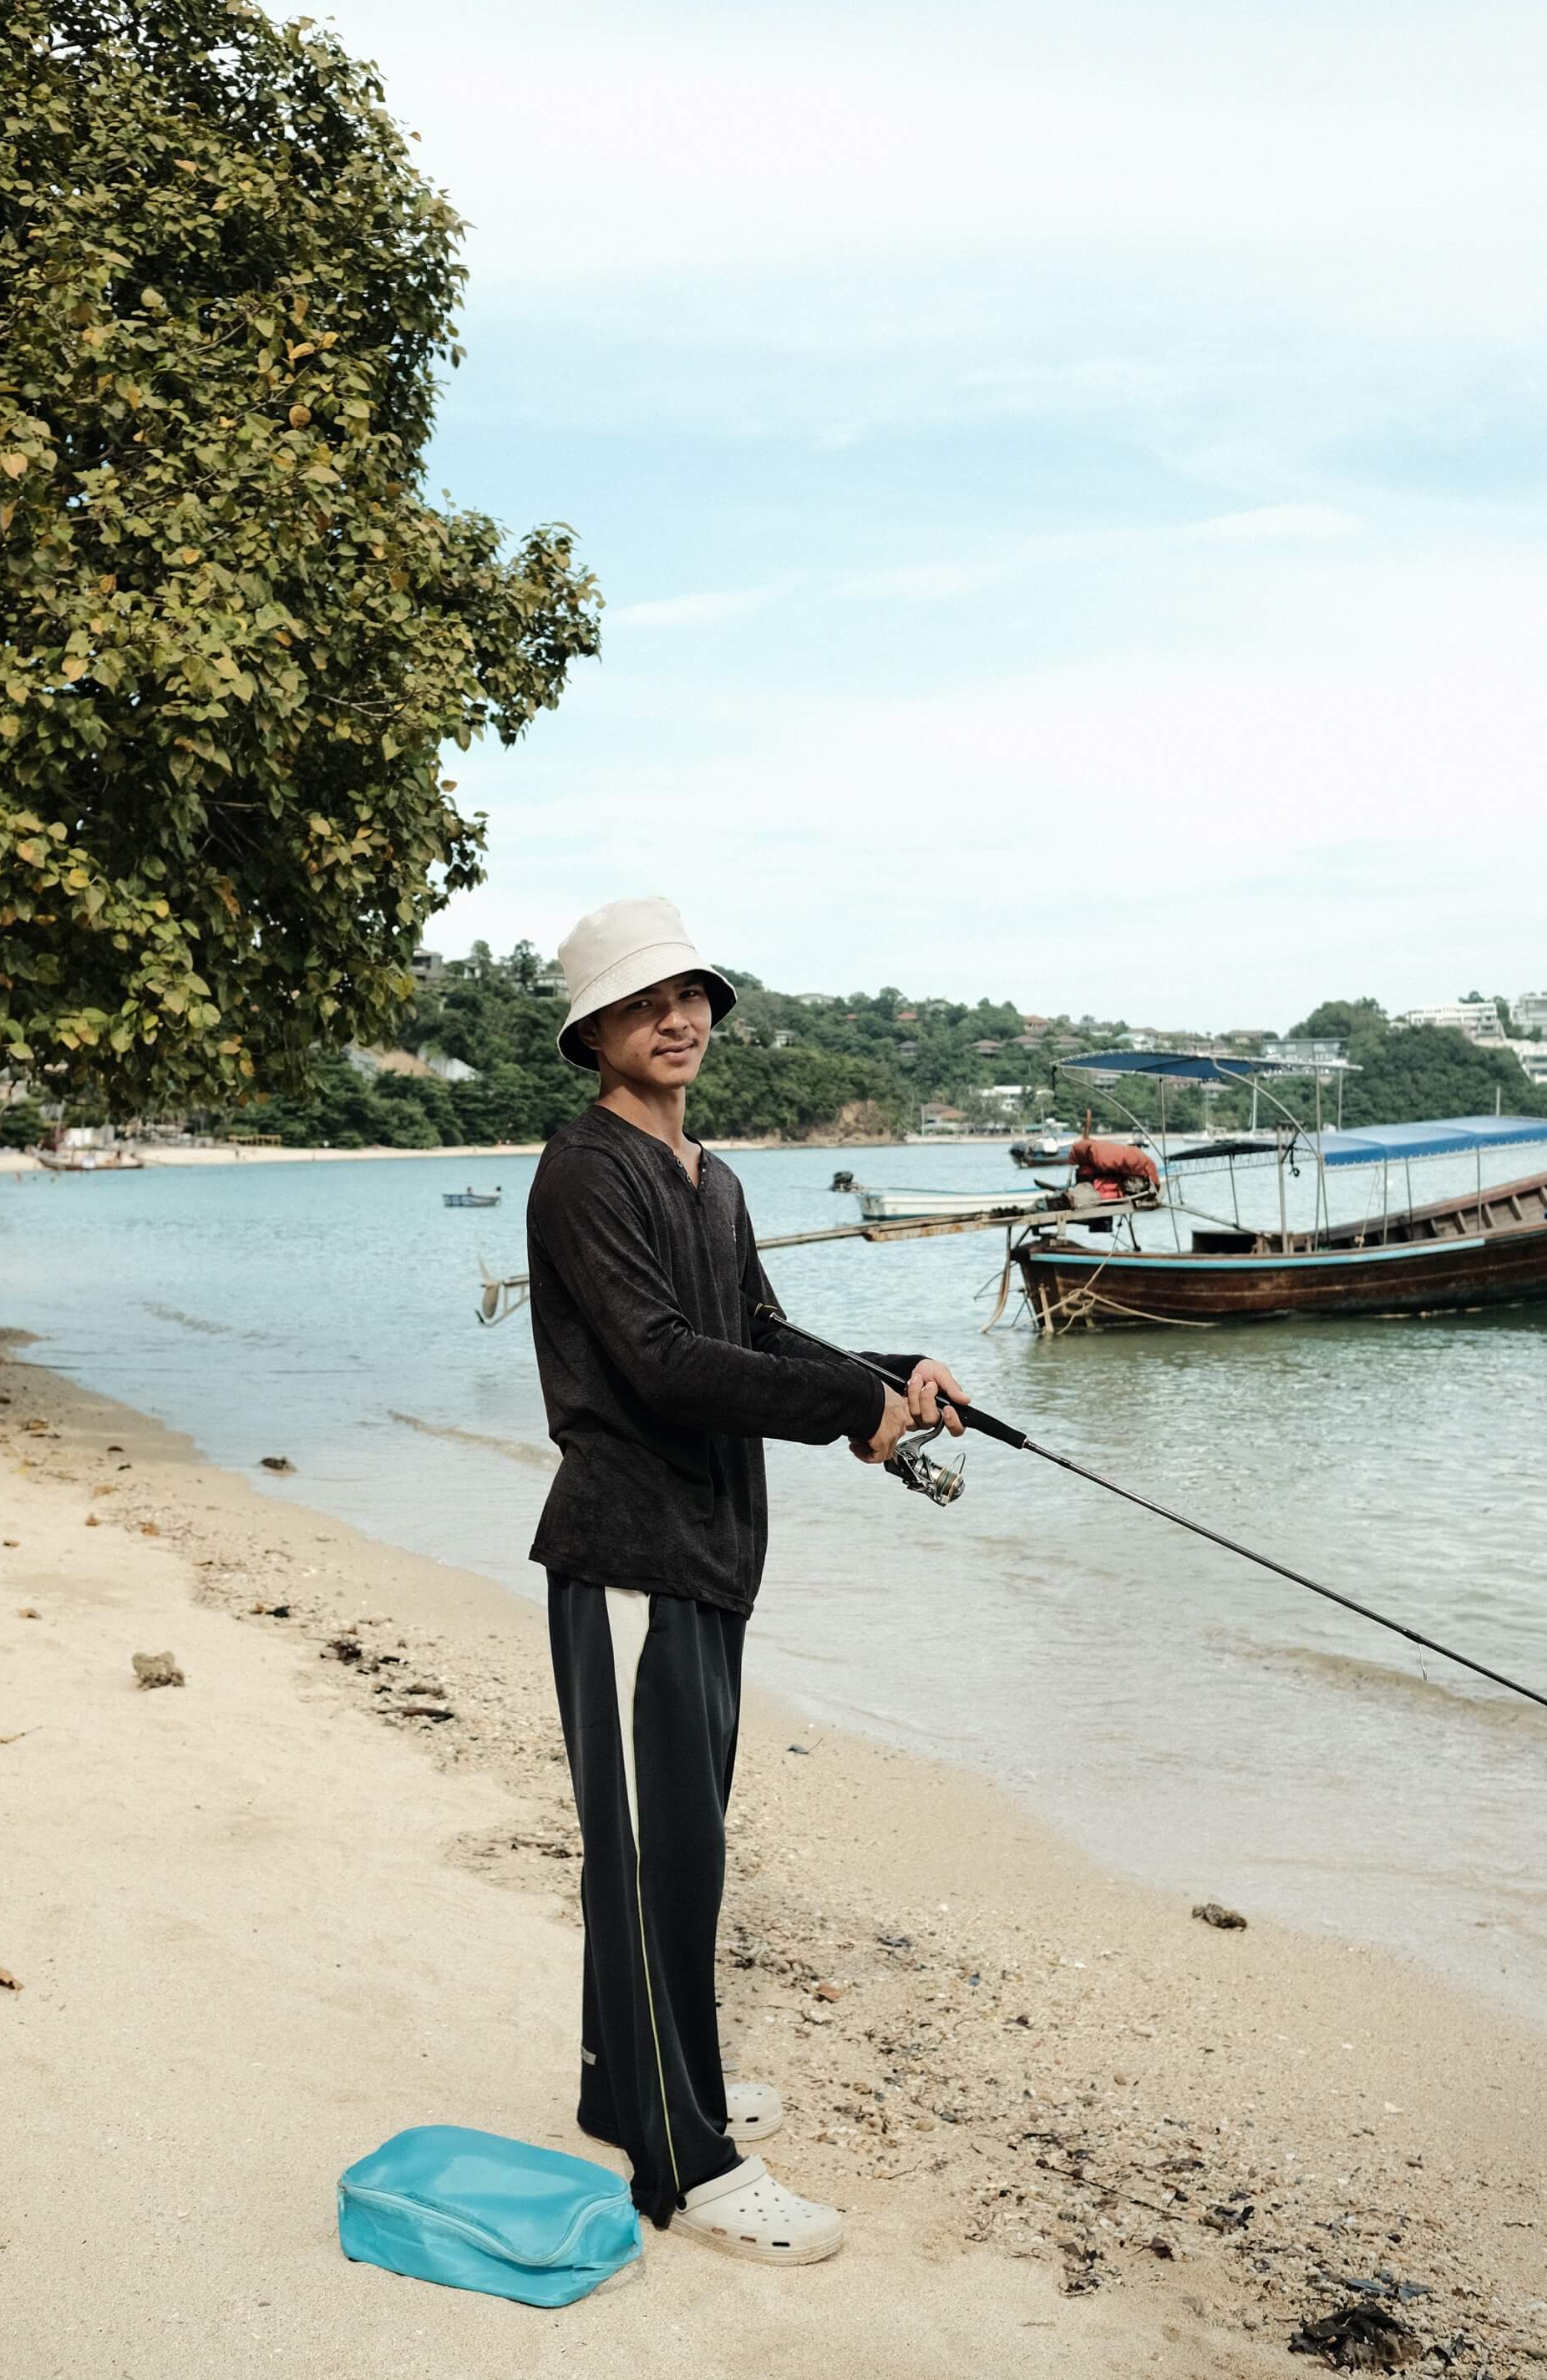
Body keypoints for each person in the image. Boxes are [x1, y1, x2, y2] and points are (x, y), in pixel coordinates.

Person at [525, 895, 968, 2266]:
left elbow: (758, 1331)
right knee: (662, 1863)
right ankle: (689, 2157)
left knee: (679, 1850)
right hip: (629, 1556)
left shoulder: (711, 1179)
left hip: (712, 1555)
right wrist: (846, 1407)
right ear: (594, 1028)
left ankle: (633, 2084)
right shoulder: (584, 1168)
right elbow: (660, 1360)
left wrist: (890, 1374)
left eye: (696, 996)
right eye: (650, 1000)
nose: (681, 1019)